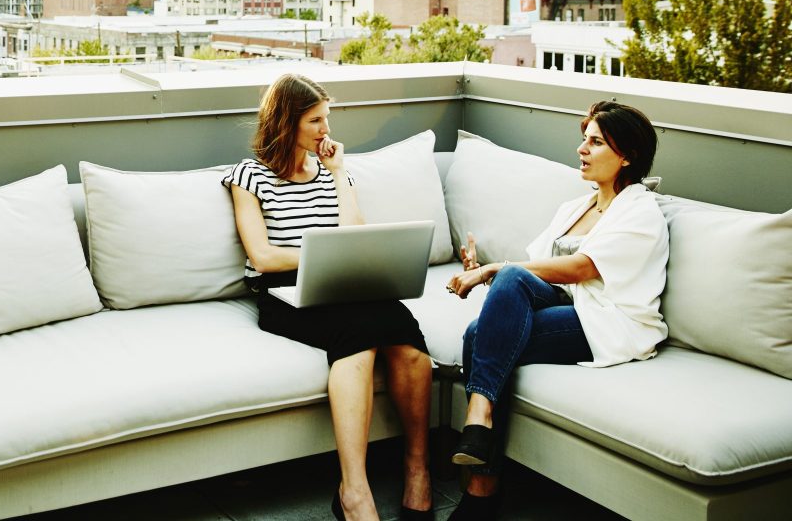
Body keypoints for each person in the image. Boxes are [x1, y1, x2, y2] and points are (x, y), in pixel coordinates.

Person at [445, 100, 669, 519]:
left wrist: (497, 271)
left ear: (627, 156)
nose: (582, 150)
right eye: (584, 139)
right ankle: (481, 454)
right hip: (564, 305)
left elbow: (581, 268)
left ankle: (481, 480)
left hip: (607, 319)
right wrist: (486, 269)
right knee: (506, 288)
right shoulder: (575, 208)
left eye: (596, 142)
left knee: (480, 336)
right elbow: (530, 273)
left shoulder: (641, 211)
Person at [224, 74, 433, 521]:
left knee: (410, 344)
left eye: (327, 119)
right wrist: (316, 257)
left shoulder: (333, 170)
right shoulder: (248, 176)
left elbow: (353, 235)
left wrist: (338, 174)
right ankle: (353, 491)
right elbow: (261, 255)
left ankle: (418, 469)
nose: (326, 130)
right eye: (315, 120)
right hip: (283, 294)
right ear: (287, 123)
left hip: (343, 284)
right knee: (357, 344)